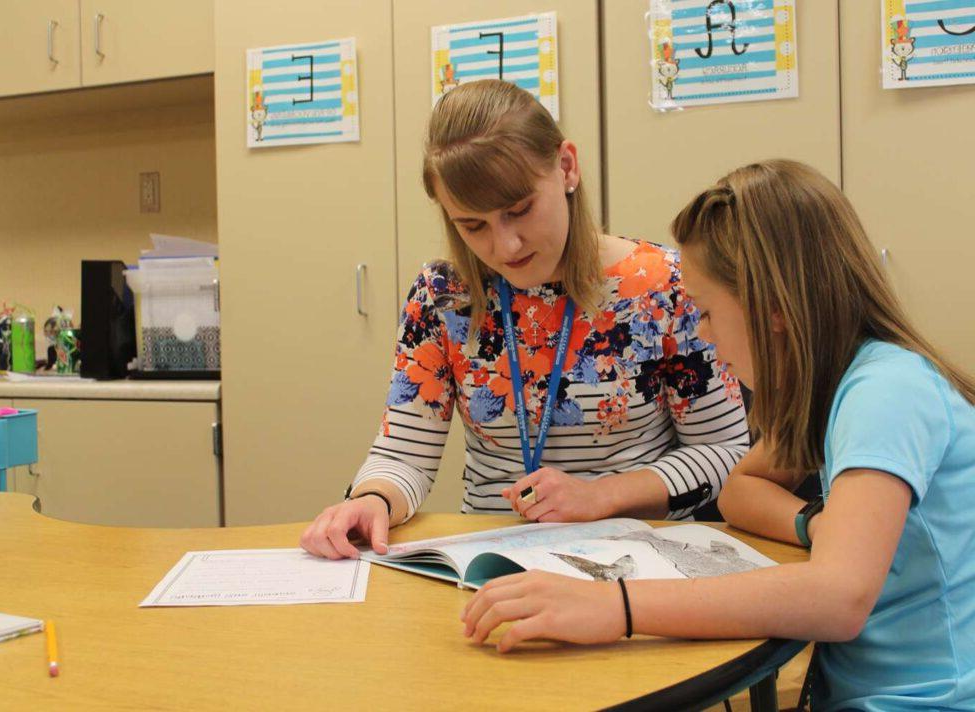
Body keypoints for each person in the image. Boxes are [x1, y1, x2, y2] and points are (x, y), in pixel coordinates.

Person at [462, 159, 975, 710]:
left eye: (706, 312)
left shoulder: (885, 391)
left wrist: (616, 607)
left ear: (771, 307)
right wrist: (818, 524)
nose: (702, 333)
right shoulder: (838, 386)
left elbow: (839, 596)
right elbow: (739, 488)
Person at [300, 79, 748, 560]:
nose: (505, 246)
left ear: (566, 167)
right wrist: (372, 500)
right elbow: (404, 454)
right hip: (492, 563)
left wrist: (601, 496)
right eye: (472, 225)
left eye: (520, 210)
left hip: (636, 561)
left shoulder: (661, 286)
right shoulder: (443, 297)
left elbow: (726, 453)